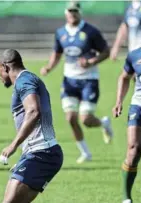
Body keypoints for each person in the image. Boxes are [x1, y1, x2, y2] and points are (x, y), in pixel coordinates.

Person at [40, 1, 113, 164]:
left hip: (89, 80)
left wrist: (92, 62)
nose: (72, 14)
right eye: (70, 11)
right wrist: (49, 67)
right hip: (69, 81)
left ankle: (103, 123)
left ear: (80, 12)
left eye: (75, 11)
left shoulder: (91, 31)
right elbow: (57, 53)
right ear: (66, 13)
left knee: (86, 119)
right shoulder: (60, 33)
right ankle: (85, 153)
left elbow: (106, 51)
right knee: (70, 118)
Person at [0, 49, 63, 203]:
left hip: (42, 153)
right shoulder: (27, 79)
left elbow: (33, 111)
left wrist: (13, 145)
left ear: (5, 67)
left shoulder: (24, 80)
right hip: (36, 152)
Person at [112, 45, 141, 203]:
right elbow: (124, 77)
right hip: (139, 106)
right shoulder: (135, 55)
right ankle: (126, 198)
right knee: (133, 149)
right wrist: (119, 101)